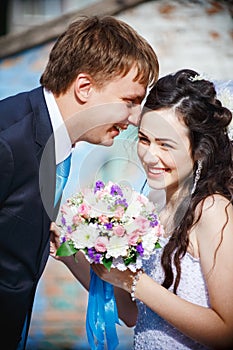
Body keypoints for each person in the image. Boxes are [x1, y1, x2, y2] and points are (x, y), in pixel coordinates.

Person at [0, 14, 159, 349]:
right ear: (84, 88)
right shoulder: (7, 141)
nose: (133, 120)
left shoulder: (54, 139)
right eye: (129, 101)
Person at [50, 69, 233, 349]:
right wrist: (68, 253)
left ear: (200, 149)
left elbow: (226, 332)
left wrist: (137, 283)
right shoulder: (154, 209)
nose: (149, 156)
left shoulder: (212, 211)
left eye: (165, 144)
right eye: (145, 139)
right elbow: (131, 312)